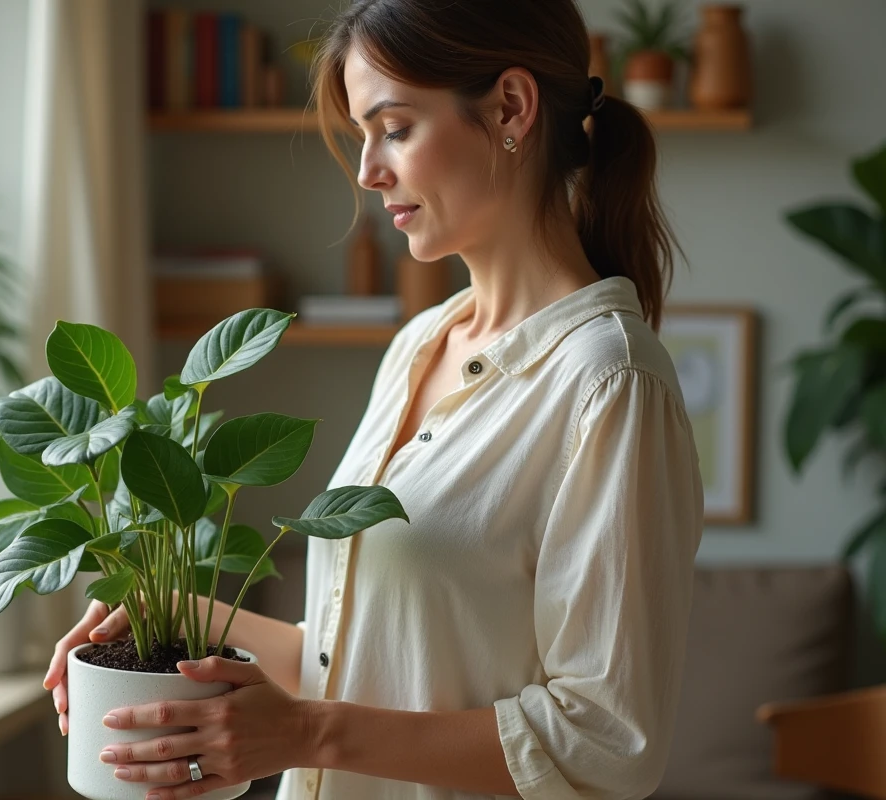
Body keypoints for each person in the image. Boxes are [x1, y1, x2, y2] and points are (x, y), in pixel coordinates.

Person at [42, 0, 705, 797]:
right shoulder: (421, 342)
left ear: (511, 108)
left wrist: (303, 732)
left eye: (393, 127)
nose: (367, 171)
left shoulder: (610, 383)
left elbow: (604, 739)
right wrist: (168, 621)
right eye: (363, 135)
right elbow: (352, 657)